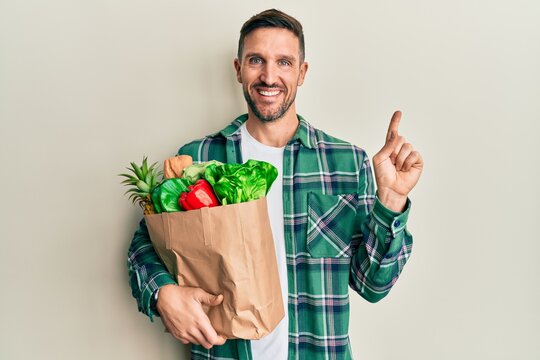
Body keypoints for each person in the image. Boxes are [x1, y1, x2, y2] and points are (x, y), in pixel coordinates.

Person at [127, 8, 423, 360]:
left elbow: (373, 285)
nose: (269, 76)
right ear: (238, 70)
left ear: (302, 72)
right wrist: (163, 294)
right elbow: (145, 243)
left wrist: (389, 202)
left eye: (284, 62)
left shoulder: (345, 163)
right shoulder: (198, 159)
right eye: (256, 60)